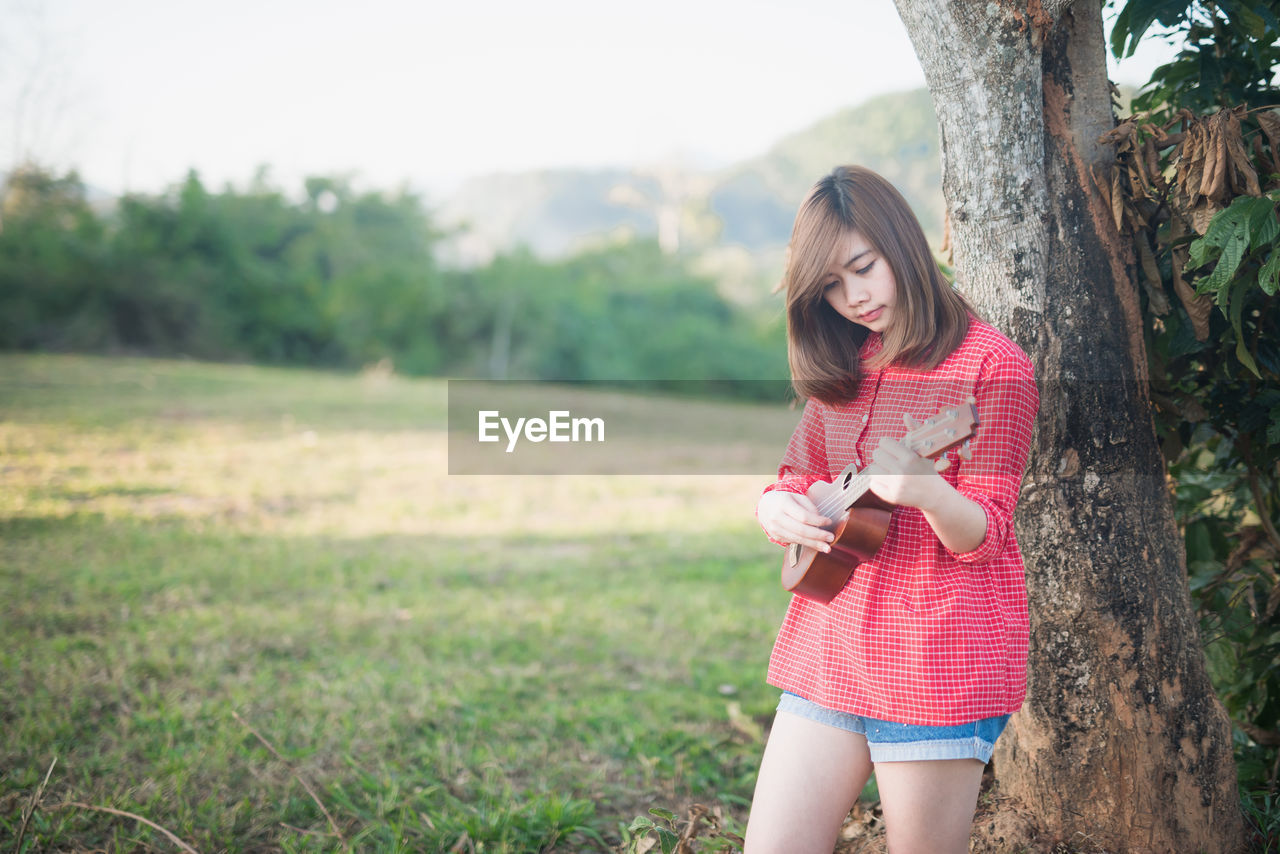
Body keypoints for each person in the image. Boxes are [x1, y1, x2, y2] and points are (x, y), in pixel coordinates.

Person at [746, 165, 1039, 854]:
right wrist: (778, 508)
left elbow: (988, 534)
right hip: (830, 646)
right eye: (831, 287)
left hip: (937, 656)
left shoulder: (994, 368)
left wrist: (933, 494)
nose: (853, 298)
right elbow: (796, 475)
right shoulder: (848, 365)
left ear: (900, 241)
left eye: (863, 267)